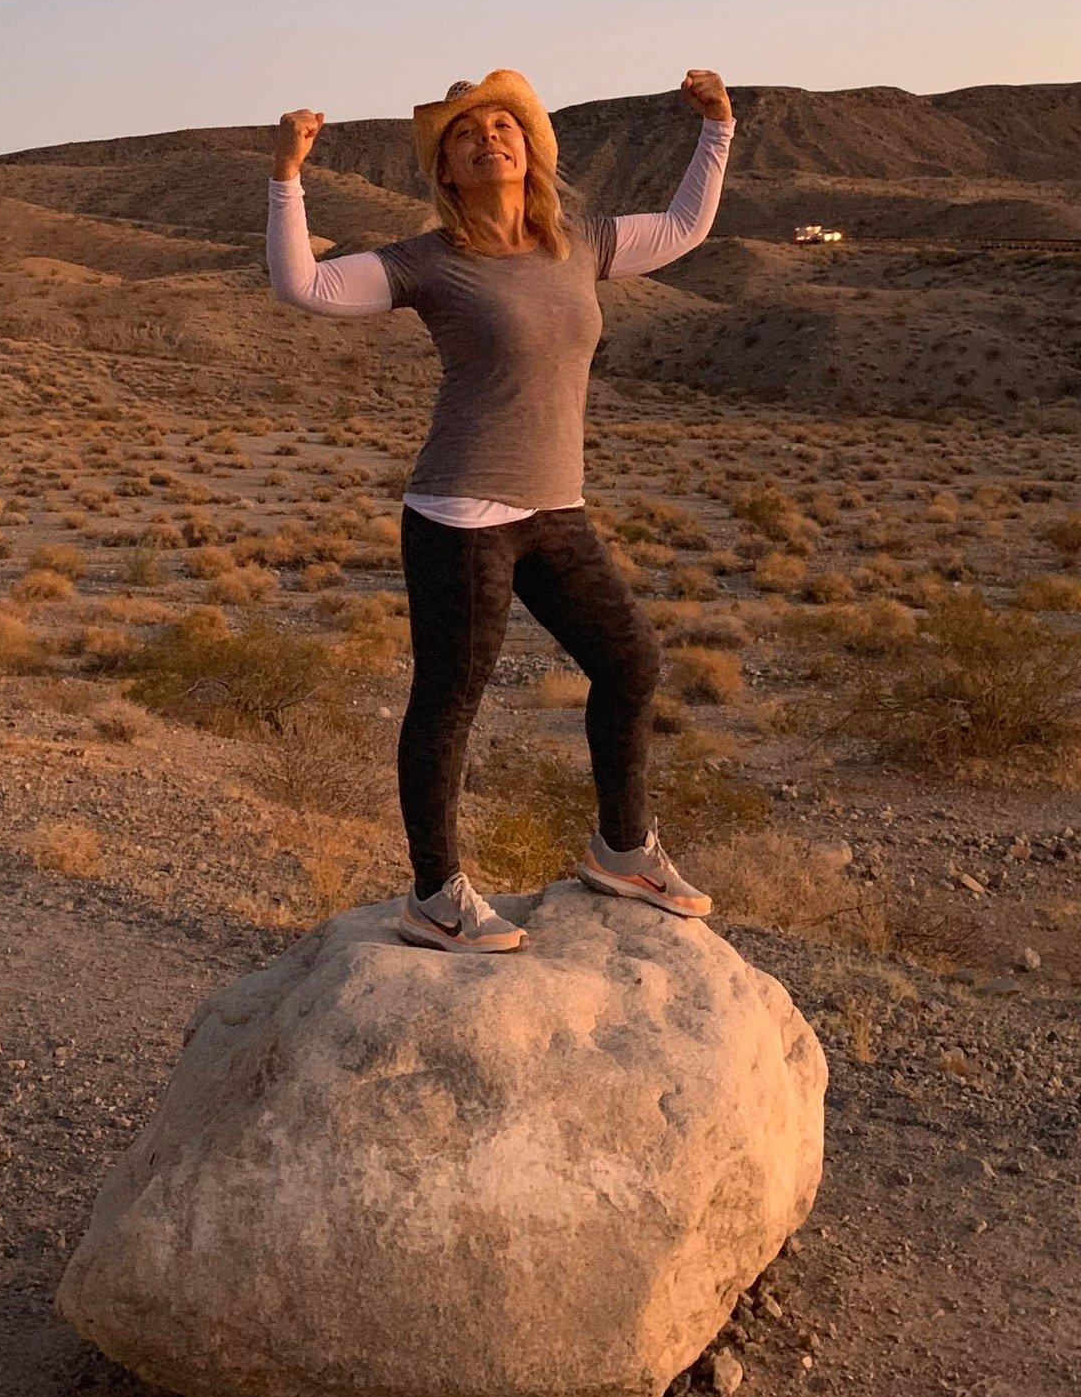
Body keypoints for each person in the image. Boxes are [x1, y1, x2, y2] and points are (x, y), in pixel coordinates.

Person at [266, 67, 736, 952]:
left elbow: (682, 229)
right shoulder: (427, 261)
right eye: (465, 132)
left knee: (631, 661)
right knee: (449, 702)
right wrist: (286, 173)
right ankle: (435, 894)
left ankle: (622, 847)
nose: (489, 136)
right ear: (445, 168)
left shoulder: (580, 242)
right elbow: (305, 288)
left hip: (555, 507)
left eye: (503, 124)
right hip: (459, 512)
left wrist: (716, 129)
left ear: (530, 147)